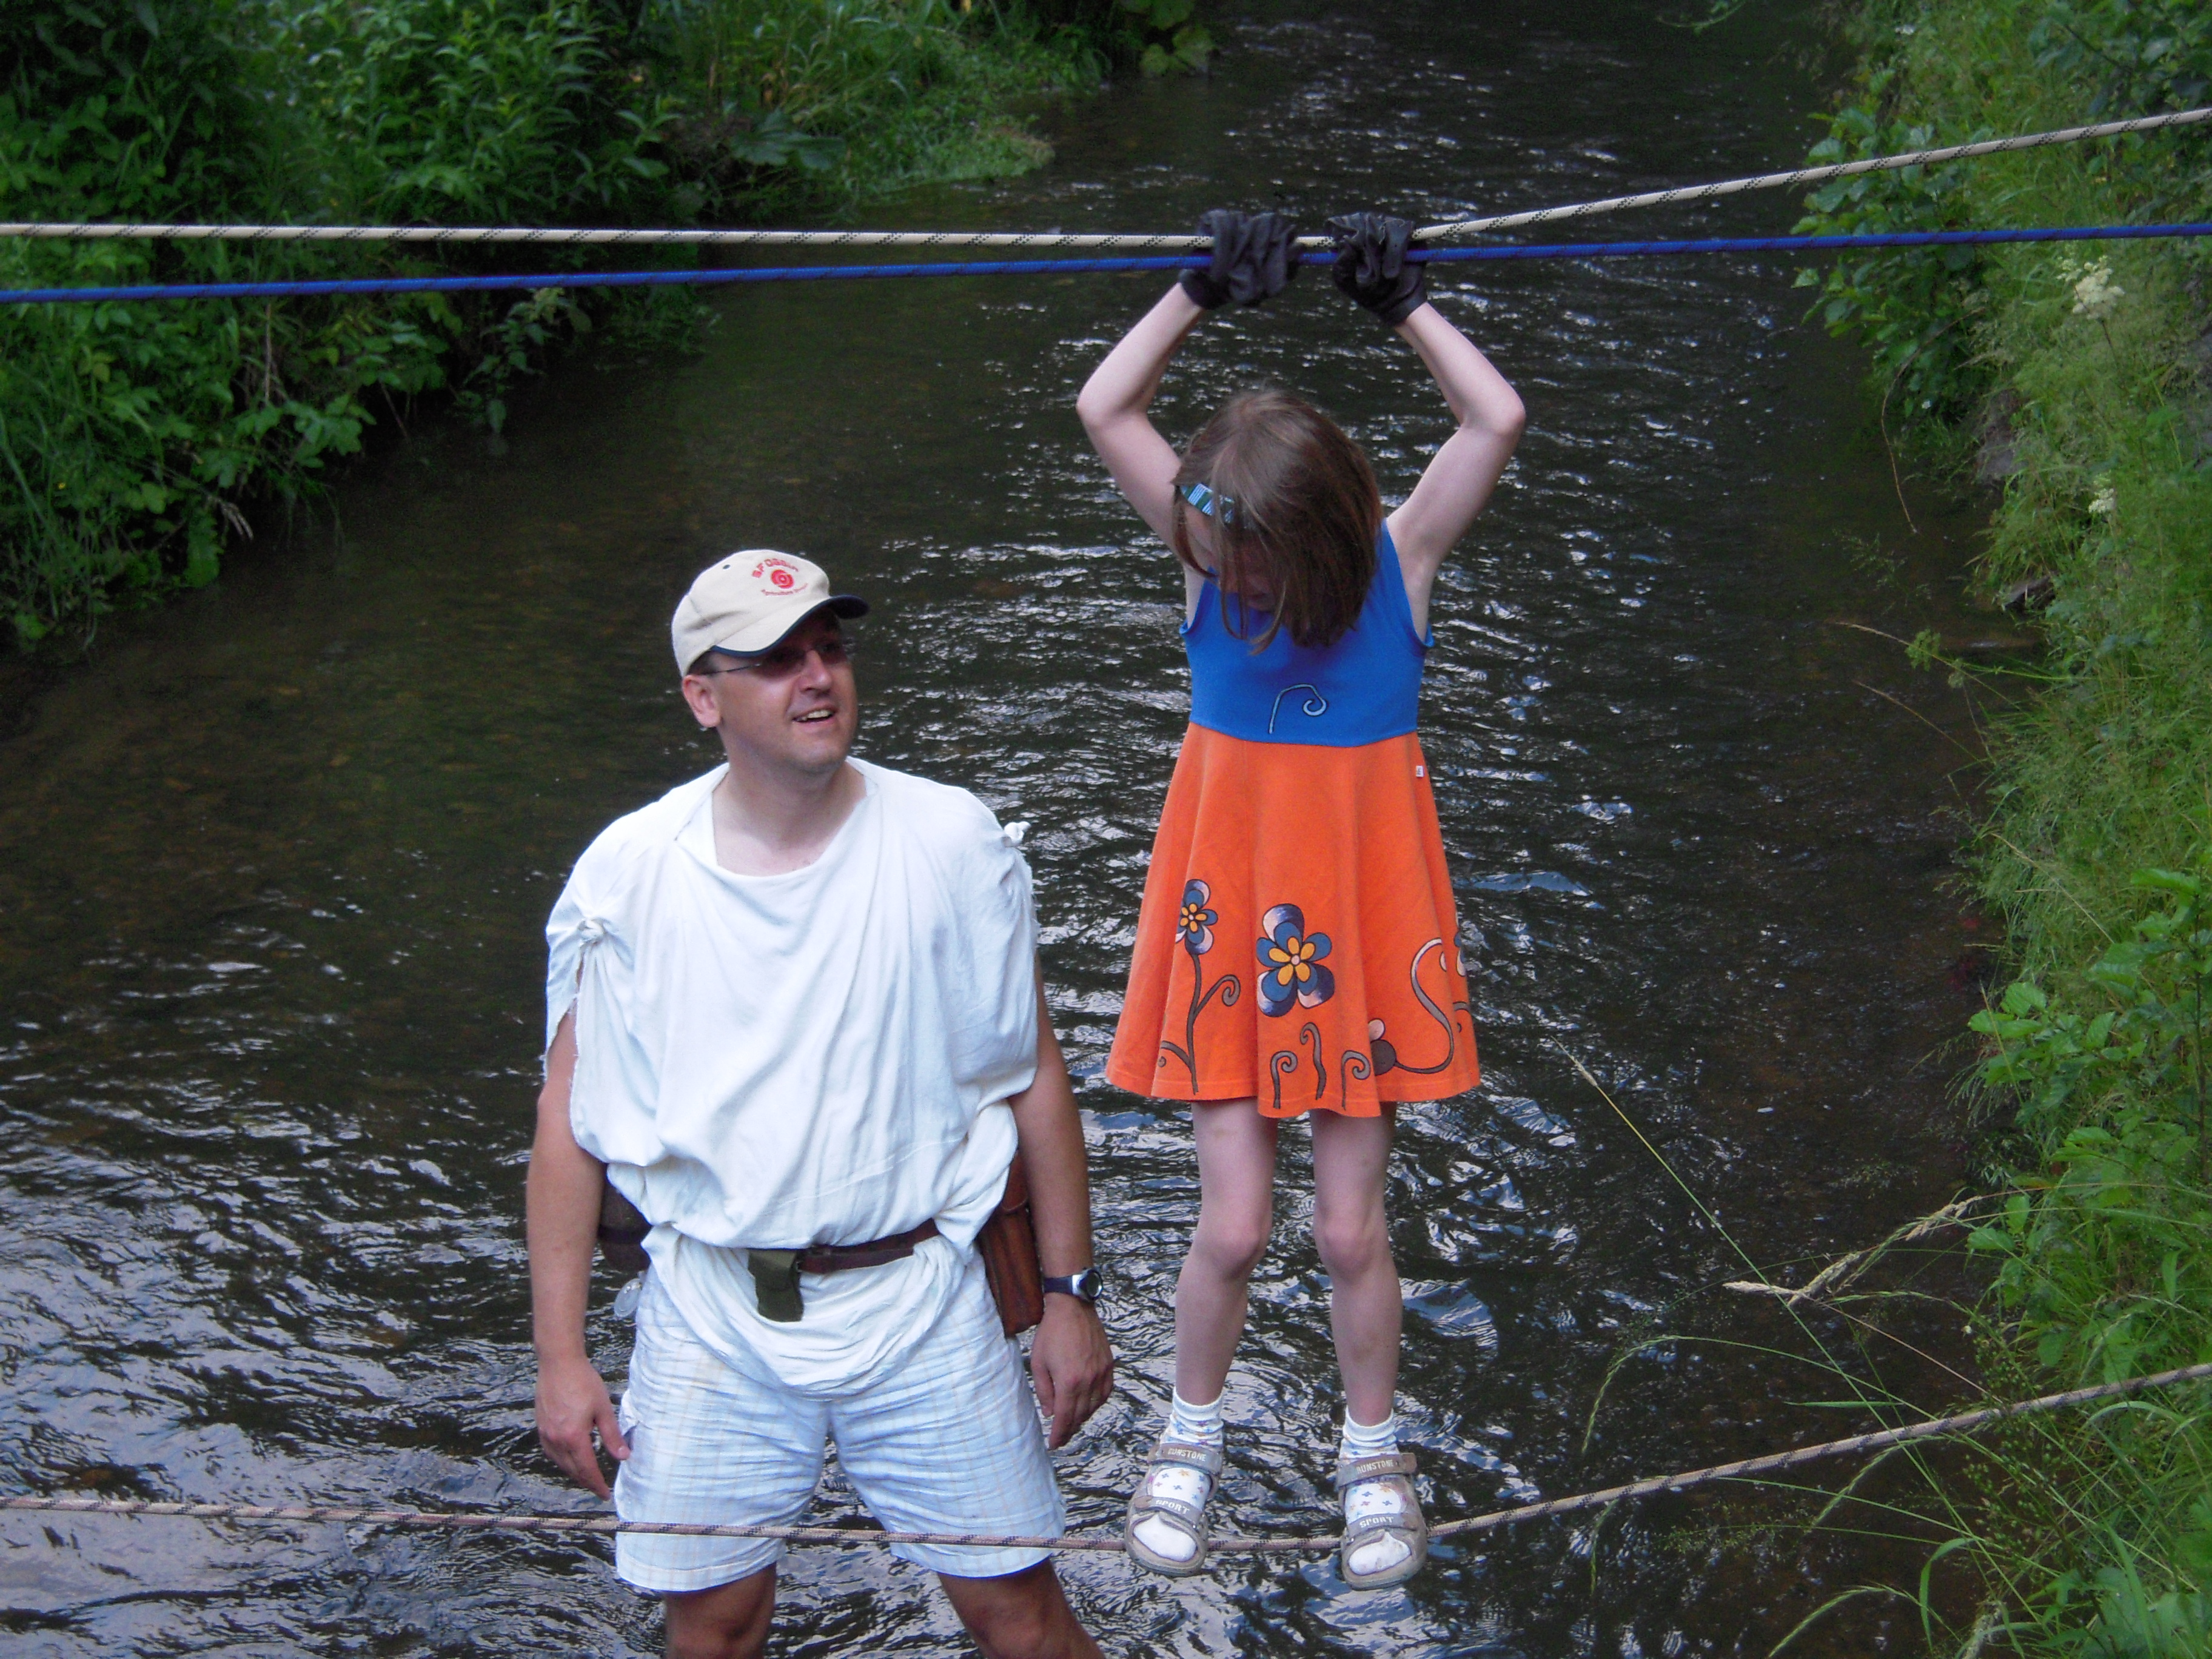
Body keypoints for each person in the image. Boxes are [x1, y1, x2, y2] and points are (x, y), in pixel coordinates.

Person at [526, 551, 1114, 1659]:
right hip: (709, 1305)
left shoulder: (950, 839)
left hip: (923, 1295)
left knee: (1017, 1616)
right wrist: (562, 1357)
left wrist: (1068, 1295)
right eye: (775, 660)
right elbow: (571, 1122)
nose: (816, 677)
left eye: (830, 649)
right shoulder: (629, 875)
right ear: (703, 697)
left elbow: (1033, 1070)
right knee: (715, 1626)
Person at [1075, 212, 1524, 1589]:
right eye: (1225, 555)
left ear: (1322, 531)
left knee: (1345, 1229)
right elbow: (1106, 406)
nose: (1242, 582)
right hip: (1233, 936)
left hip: (1359, 941)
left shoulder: (1401, 565)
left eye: (1264, 558)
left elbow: (1495, 417)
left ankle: (1372, 1456)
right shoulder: (1205, 565)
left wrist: (1404, 305)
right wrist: (1197, 291)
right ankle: (1189, 1438)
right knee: (1231, 1226)